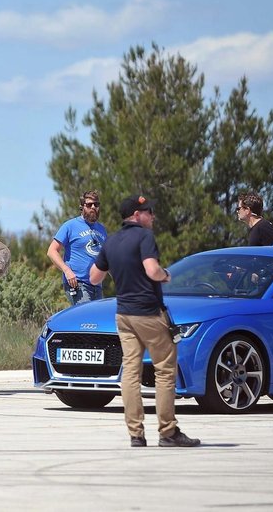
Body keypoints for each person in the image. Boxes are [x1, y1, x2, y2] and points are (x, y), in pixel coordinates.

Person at [89, 194, 200, 448]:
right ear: (137, 215)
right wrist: (166, 275)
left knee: (130, 372)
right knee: (164, 370)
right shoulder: (144, 237)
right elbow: (152, 270)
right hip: (148, 313)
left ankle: (136, 434)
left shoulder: (111, 241)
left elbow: (94, 277)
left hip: (123, 315)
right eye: (149, 212)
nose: (153, 216)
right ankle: (168, 431)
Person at [47, 190, 107, 306]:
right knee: (86, 319)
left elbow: (107, 259)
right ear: (82, 207)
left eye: (96, 204)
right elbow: (52, 251)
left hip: (97, 285)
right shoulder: (70, 226)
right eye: (89, 205)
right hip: (78, 283)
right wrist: (67, 271)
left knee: (98, 321)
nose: (93, 207)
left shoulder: (101, 230)